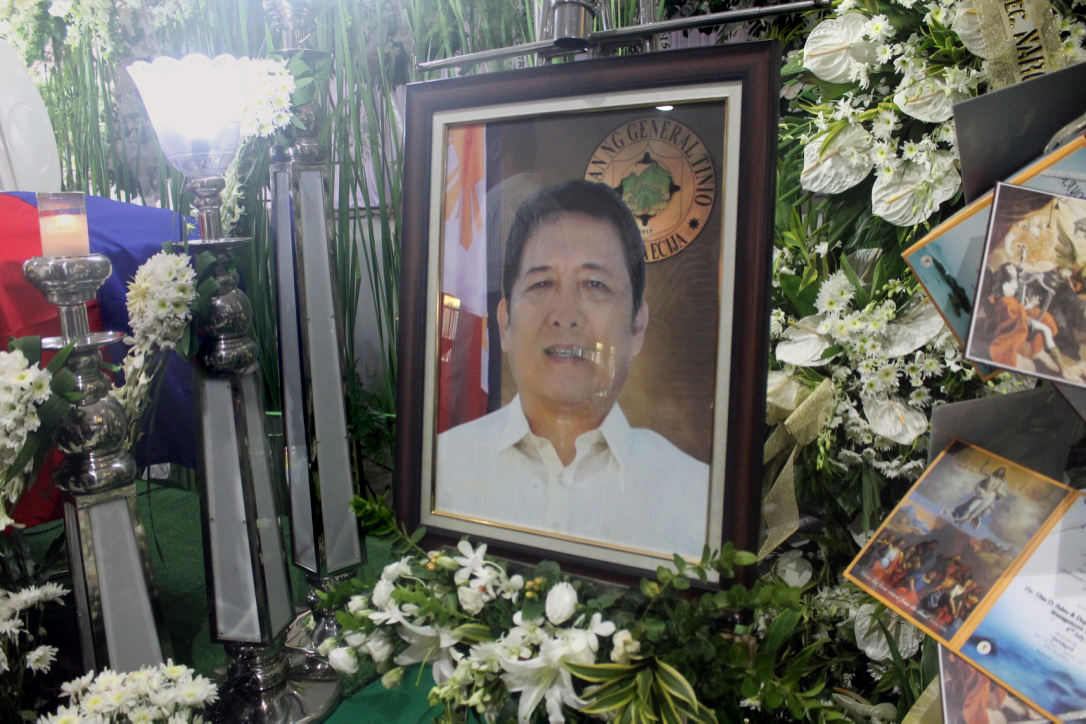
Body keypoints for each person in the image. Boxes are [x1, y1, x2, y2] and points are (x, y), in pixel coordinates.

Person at [436, 180, 710, 557]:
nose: (566, 316)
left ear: (637, 326)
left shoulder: (698, 497)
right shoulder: (442, 471)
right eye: (542, 282)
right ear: (504, 324)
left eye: (594, 283)